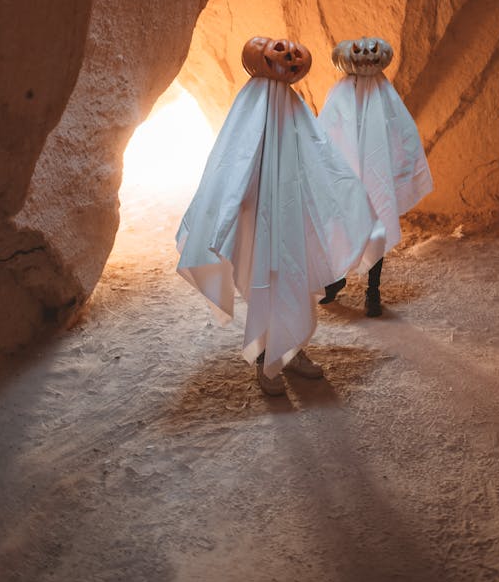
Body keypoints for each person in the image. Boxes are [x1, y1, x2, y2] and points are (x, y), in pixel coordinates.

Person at [176, 36, 384, 395]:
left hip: (293, 214)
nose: (290, 57)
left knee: (296, 284)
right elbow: (234, 160)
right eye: (280, 53)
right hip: (259, 217)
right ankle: (265, 361)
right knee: (266, 286)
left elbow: (319, 154)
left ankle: (293, 350)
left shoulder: (293, 107)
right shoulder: (252, 105)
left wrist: (345, 197)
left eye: (293, 55)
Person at [318, 36, 433, 316]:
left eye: (371, 52)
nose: (366, 56)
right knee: (340, 225)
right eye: (359, 52)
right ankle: (336, 280)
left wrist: (400, 166)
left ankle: (373, 290)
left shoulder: (383, 92)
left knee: (377, 227)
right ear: (347, 57)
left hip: (377, 173)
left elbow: (401, 128)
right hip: (346, 172)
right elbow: (327, 129)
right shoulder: (341, 91)